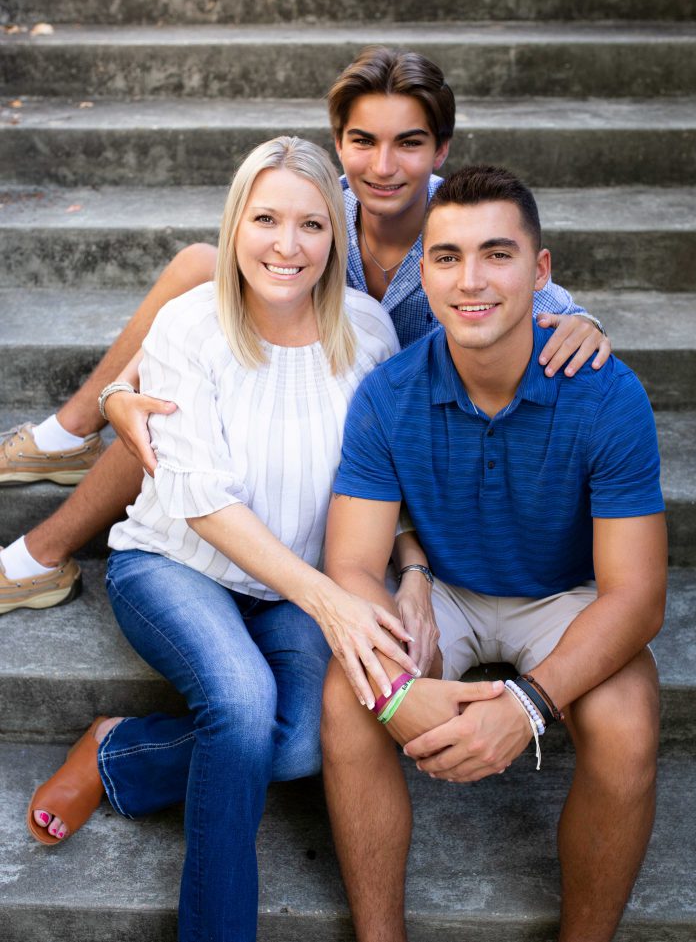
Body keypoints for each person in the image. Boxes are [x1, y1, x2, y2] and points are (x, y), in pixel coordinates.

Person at [0, 47, 610, 615]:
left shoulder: (462, 229)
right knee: (194, 294)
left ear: (441, 150)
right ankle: (71, 439)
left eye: (410, 143)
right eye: (362, 141)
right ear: (339, 144)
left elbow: (541, 297)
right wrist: (120, 394)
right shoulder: (322, 207)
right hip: (299, 376)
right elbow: (213, 314)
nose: (384, 166)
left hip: (385, 425)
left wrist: (585, 323)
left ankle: (69, 454)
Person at [26, 136, 446, 942]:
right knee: (244, 702)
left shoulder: (366, 334)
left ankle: (119, 754)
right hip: (176, 564)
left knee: (292, 742)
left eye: (311, 226)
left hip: (294, 581)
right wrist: (329, 600)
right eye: (265, 219)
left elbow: (390, 481)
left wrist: (413, 568)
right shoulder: (188, 326)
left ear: (336, 236)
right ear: (235, 222)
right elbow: (198, 499)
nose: (287, 246)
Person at [320, 164, 667, 942]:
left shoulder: (607, 393)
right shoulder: (387, 392)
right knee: (350, 698)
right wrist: (397, 691)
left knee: (627, 720)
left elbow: (637, 596)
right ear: (425, 269)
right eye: (445, 257)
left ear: (540, 271)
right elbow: (349, 566)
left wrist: (528, 703)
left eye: (496, 254)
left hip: (564, 594)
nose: (469, 279)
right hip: (440, 588)